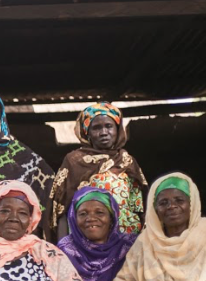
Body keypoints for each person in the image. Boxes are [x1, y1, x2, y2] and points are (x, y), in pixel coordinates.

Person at [47, 102, 147, 241]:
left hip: (127, 241)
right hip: (86, 242)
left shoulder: (128, 161)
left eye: (109, 126)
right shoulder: (74, 162)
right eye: (96, 128)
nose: (104, 132)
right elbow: (61, 211)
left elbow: (139, 208)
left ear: (118, 129)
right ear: (87, 132)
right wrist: (63, 249)